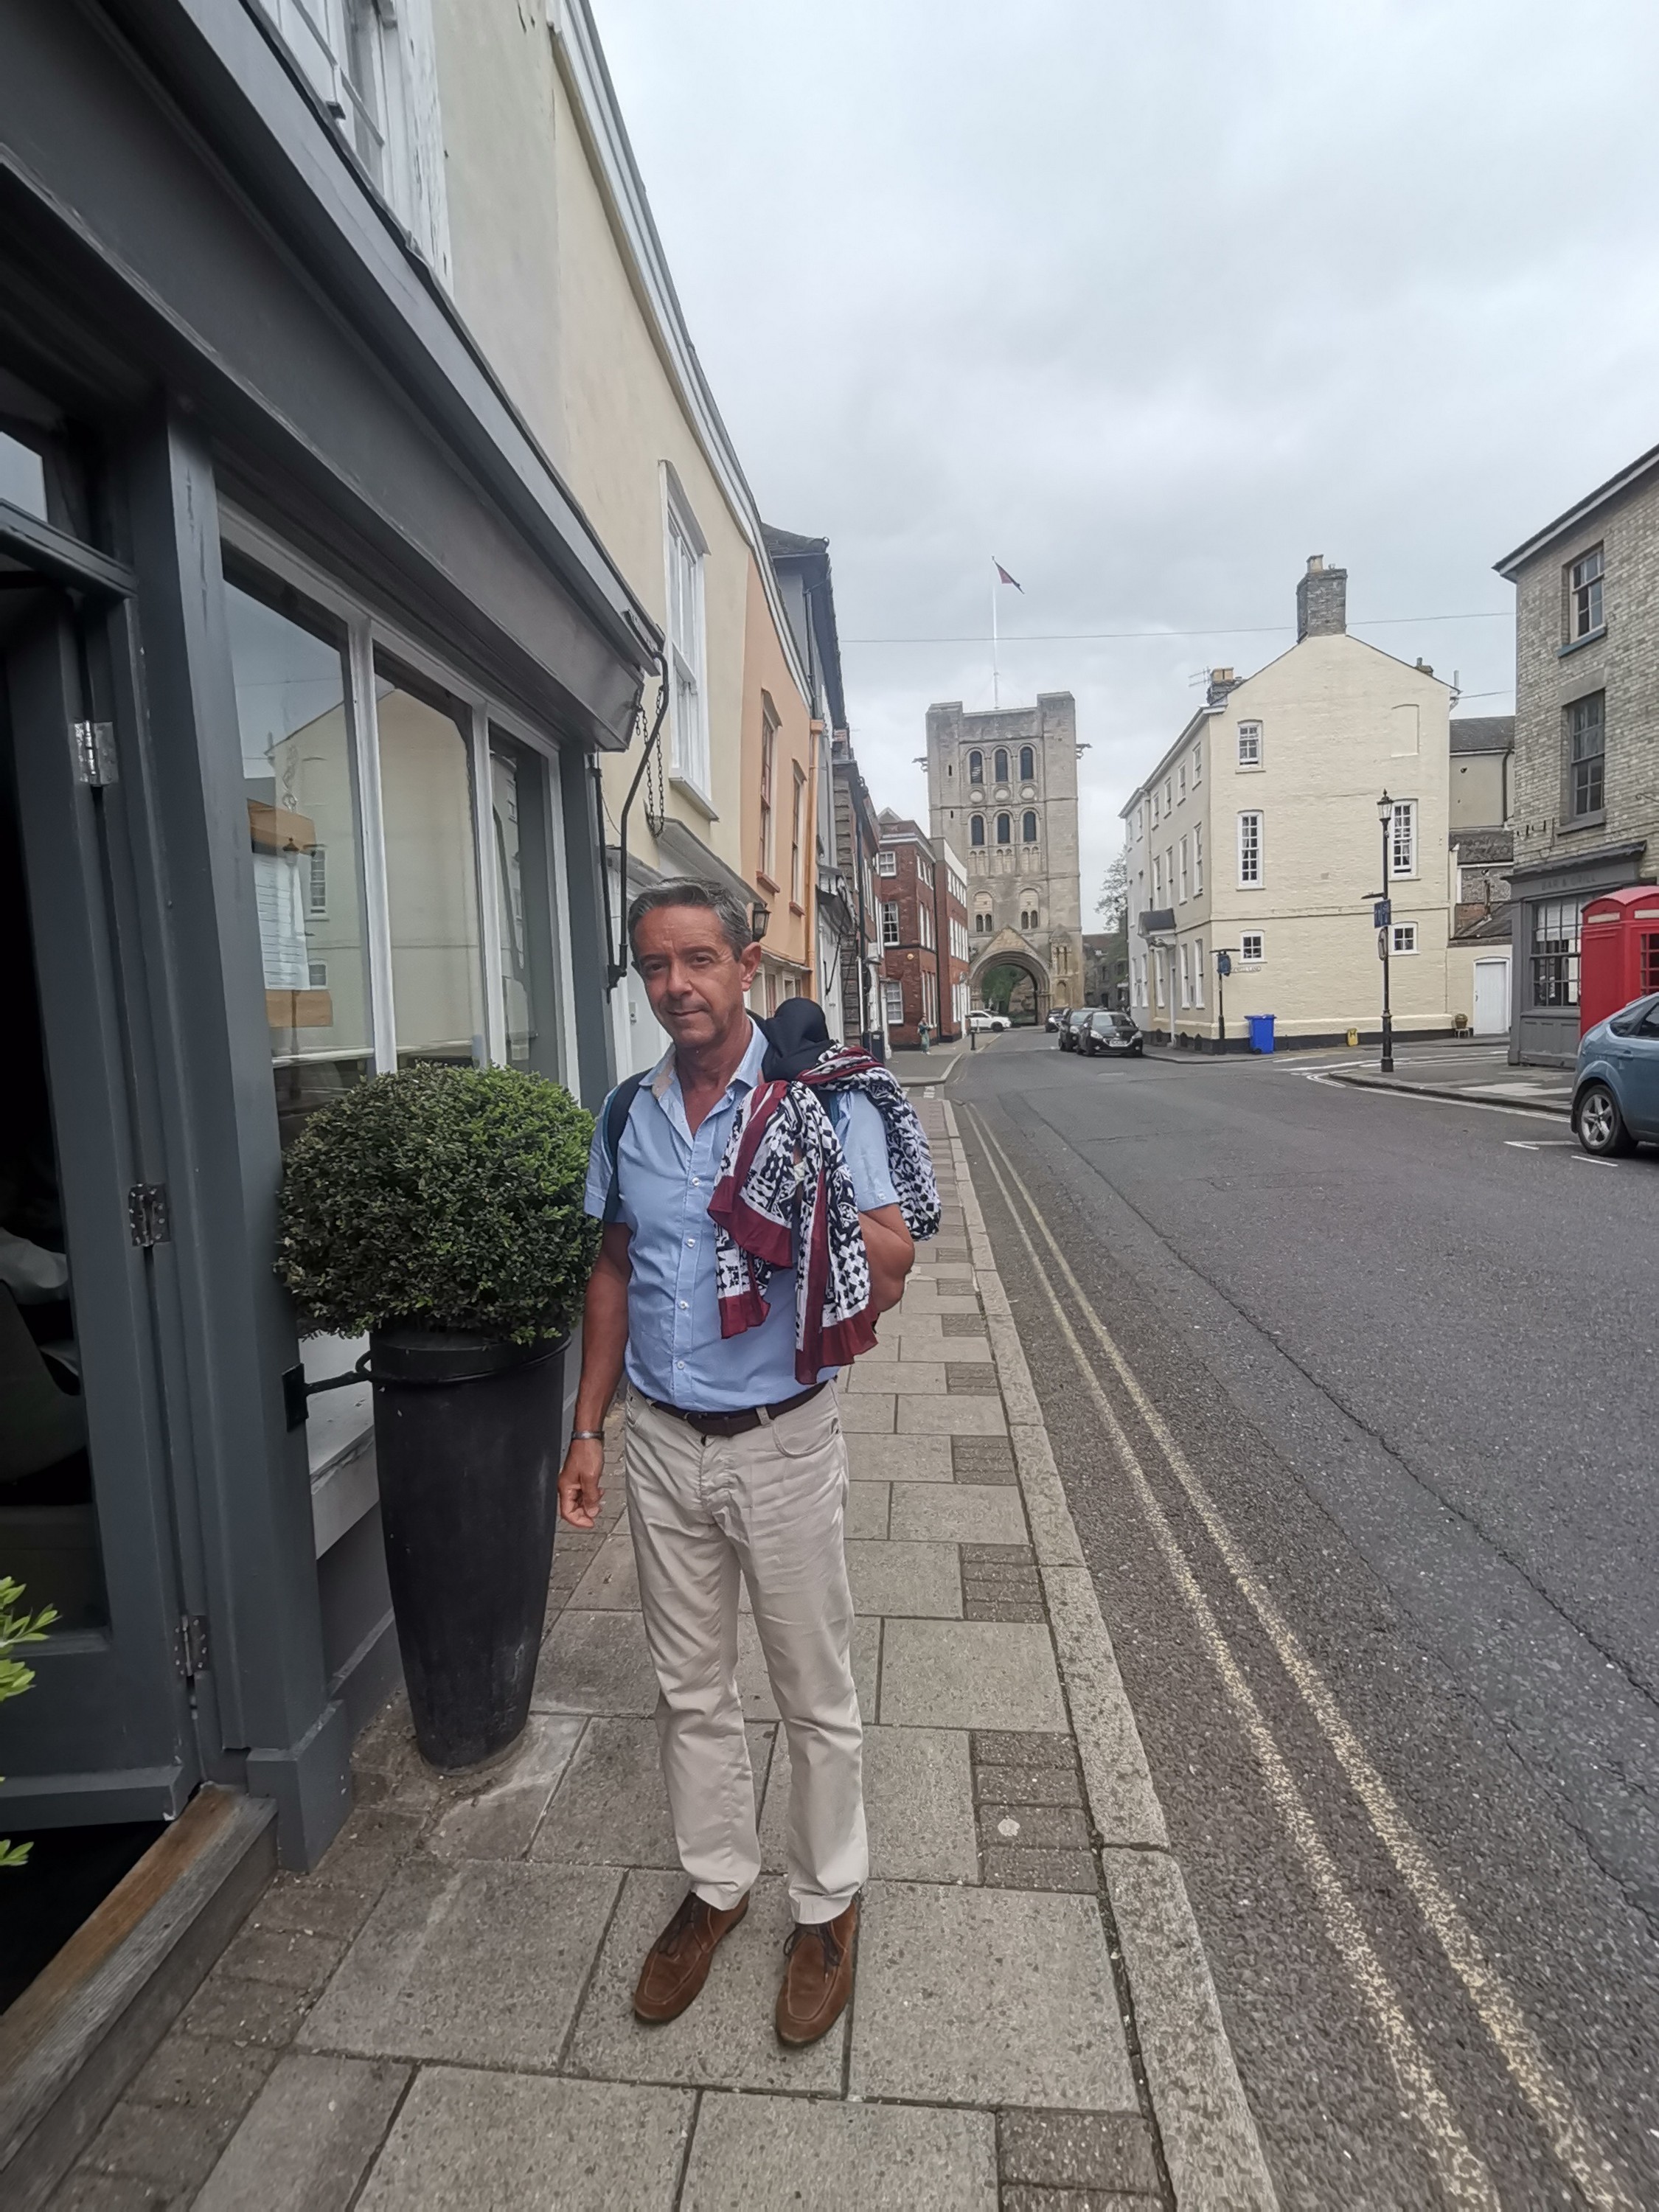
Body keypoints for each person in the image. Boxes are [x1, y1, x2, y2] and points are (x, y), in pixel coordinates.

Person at [558, 880, 919, 2047]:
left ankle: (826, 1905)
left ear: (745, 965)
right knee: (689, 1689)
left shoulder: (820, 1102)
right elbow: (612, 1270)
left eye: (699, 961)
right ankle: (716, 1887)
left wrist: (796, 1185)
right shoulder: (629, 1112)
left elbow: (894, 1259)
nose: (678, 988)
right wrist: (588, 1429)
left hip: (782, 1441)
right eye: (656, 967)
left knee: (813, 1694)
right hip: (663, 1445)